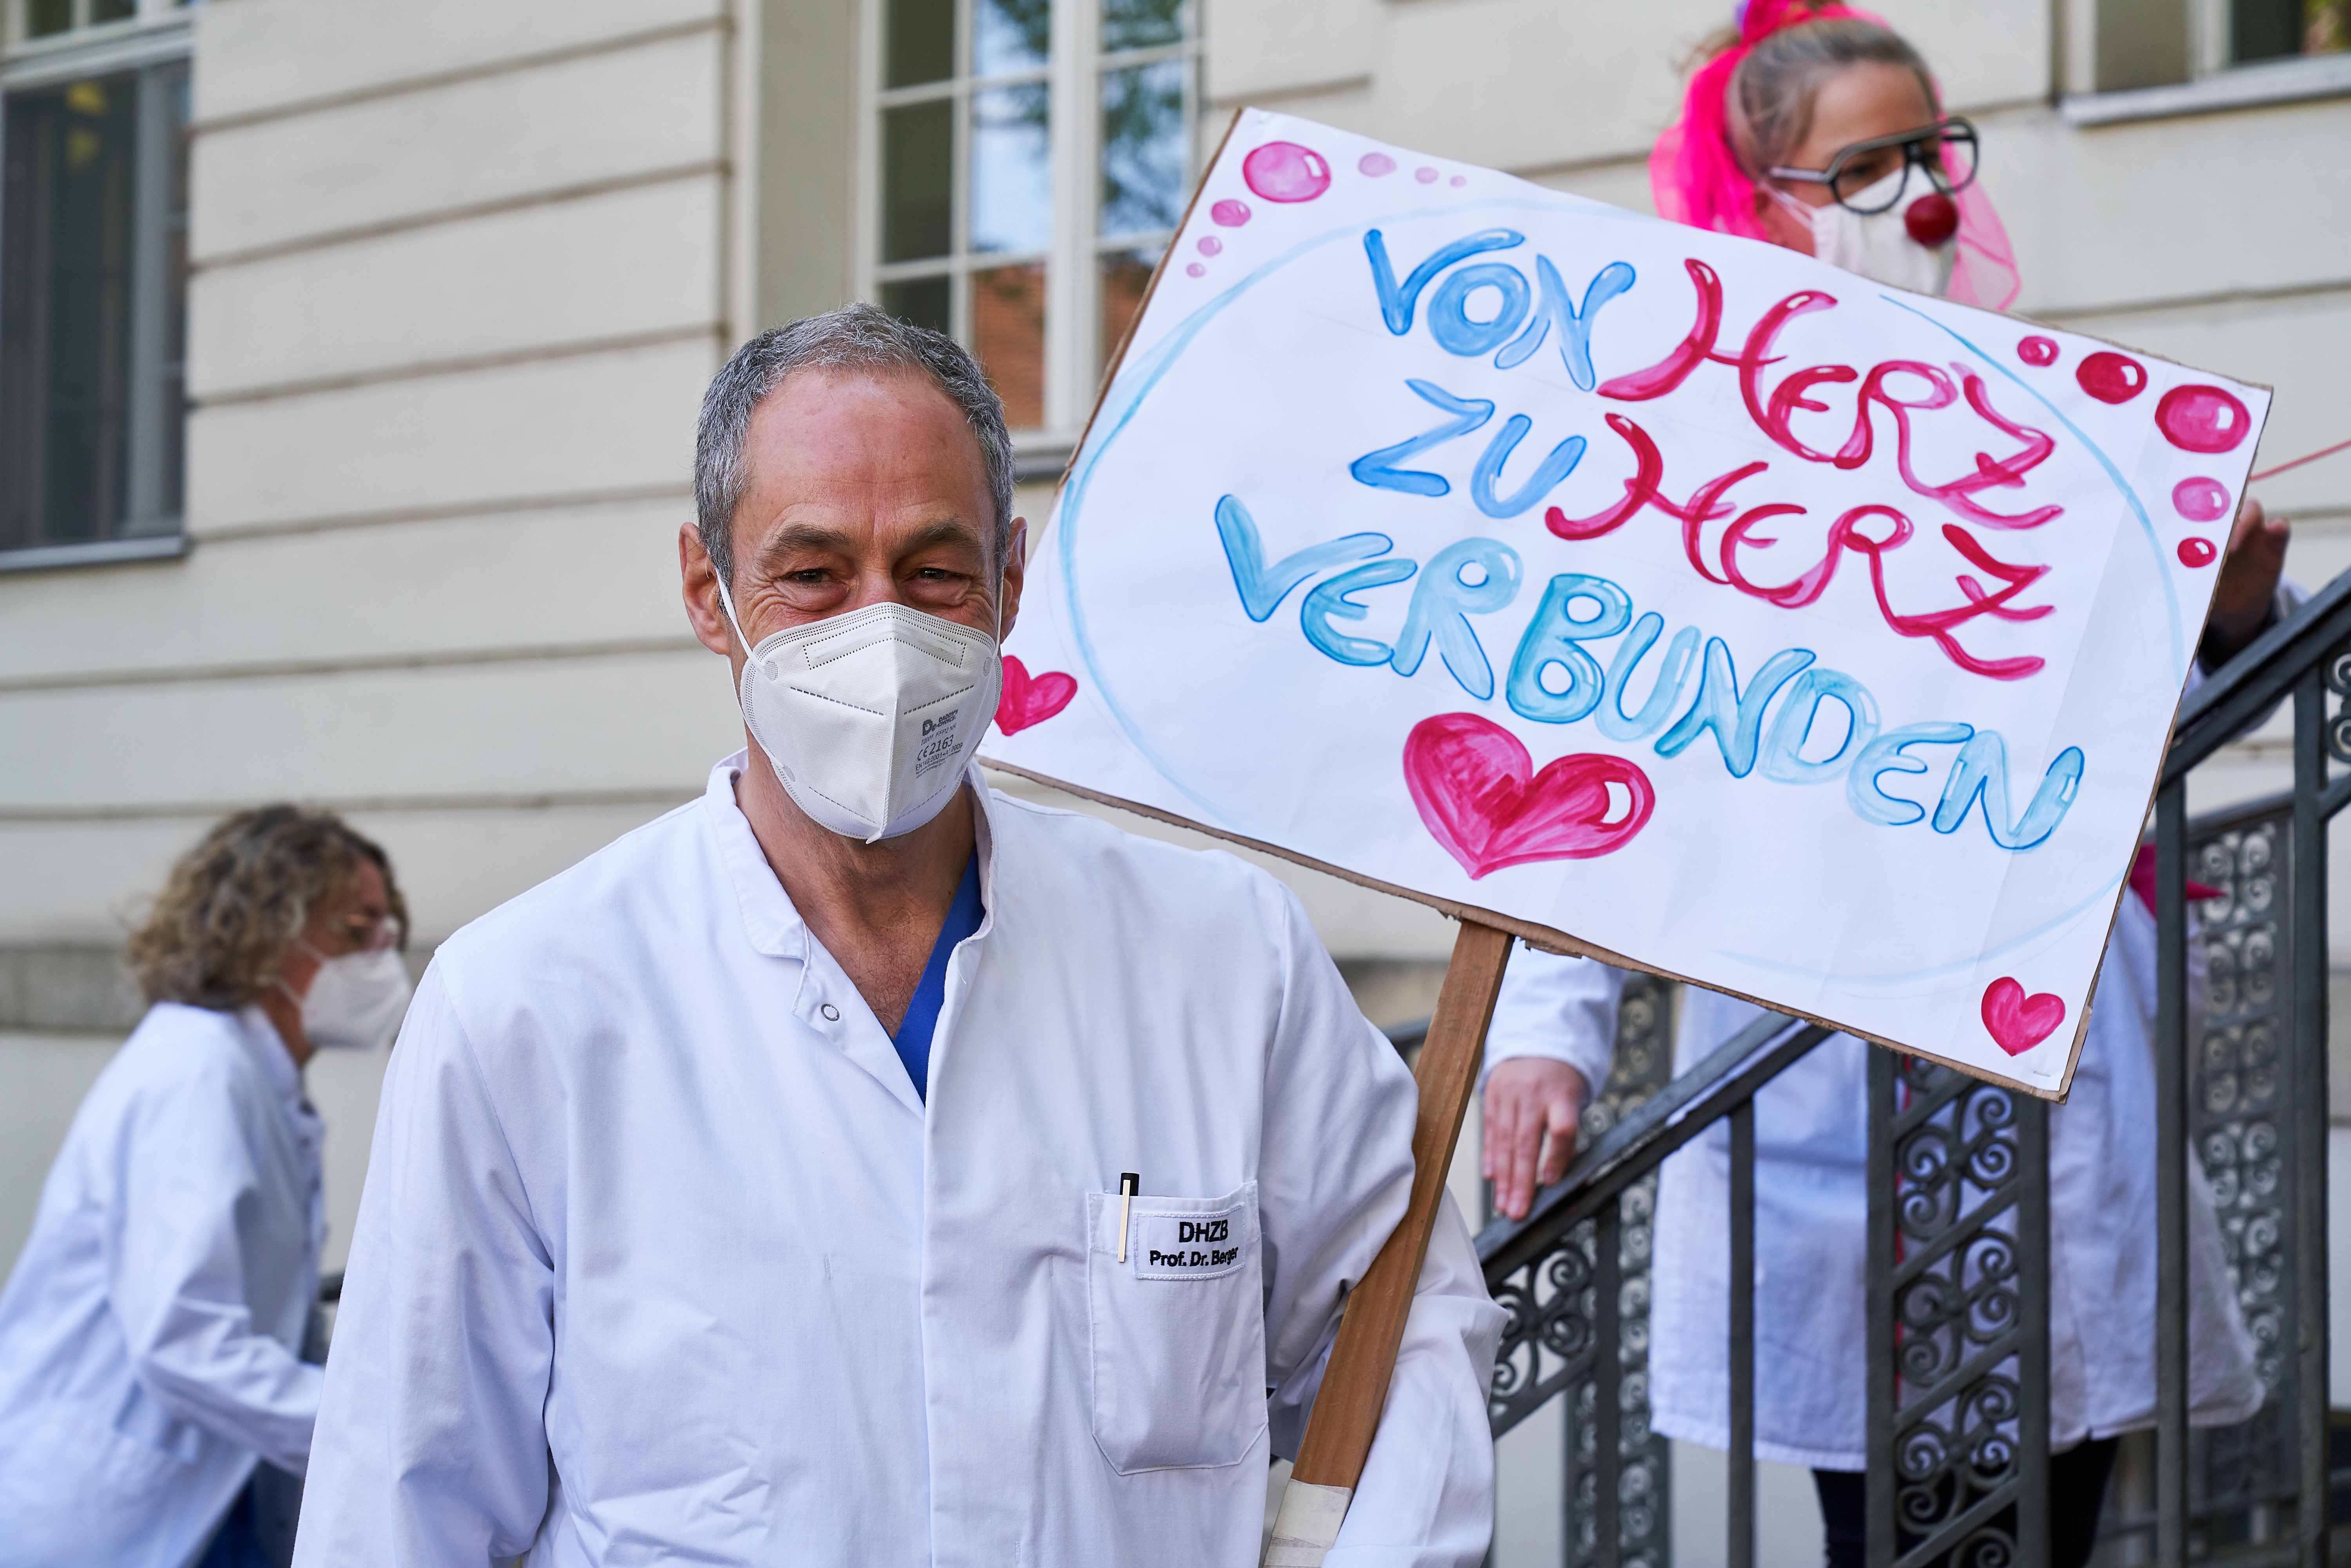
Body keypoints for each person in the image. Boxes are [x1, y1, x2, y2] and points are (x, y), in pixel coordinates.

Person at [293, 305, 1503, 1566]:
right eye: (812, 573)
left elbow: (1405, 1319)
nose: (881, 632)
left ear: (1012, 586)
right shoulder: (525, 1006)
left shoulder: (1223, 959)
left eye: (934, 571)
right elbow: (404, 1501)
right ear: (712, 595)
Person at [1480, 6, 2281, 1568]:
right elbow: (1602, 737)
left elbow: (2122, 716)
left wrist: (2235, 608)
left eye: (1933, 152)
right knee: (1884, 1522)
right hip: (1826, 1076)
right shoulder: (1685, 461)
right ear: (1763, 195)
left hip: (2051, 1053)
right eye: (1866, 167)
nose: (1919, 197)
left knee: (2057, 1496)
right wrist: (1542, 1032)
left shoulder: (2055, 431)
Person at [0, 806, 411, 1568]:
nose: (382, 957)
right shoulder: (196, 1071)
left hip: (199, 1492)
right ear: (264, 934)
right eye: (356, 930)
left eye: (388, 932)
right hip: (107, 1512)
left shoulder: (257, 1076)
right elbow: (186, 1340)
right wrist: (379, 1430)